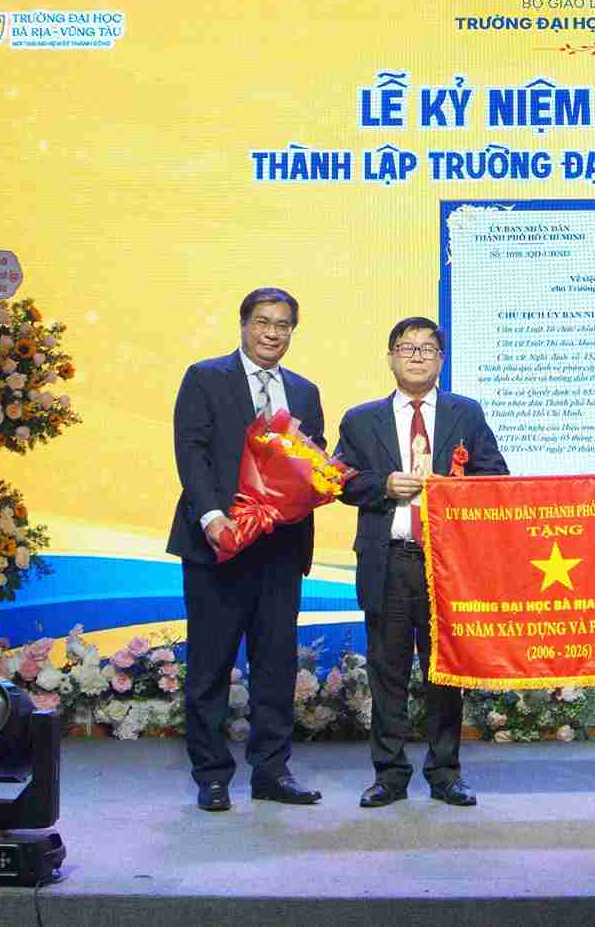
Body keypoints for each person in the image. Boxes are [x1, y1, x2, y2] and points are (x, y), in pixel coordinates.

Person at [335, 317, 509, 808]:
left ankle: (445, 773)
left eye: (427, 348)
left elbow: (496, 477)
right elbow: (339, 481)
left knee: (445, 673)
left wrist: (458, 489)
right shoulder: (360, 419)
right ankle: (389, 774)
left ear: (441, 360)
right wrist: (384, 485)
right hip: (387, 561)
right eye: (406, 347)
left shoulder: (466, 413)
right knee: (387, 673)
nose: (416, 356)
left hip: (447, 566)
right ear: (391, 357)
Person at [168, 287, 326, 811]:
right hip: (219, 544)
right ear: (243, 325)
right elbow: (191, 452)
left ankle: (272, 772)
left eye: (283, 325)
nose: (272, 333)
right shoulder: (205, 377)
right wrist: (212, 517)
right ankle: (212, 775)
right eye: (263, 322)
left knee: (276, 665)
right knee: (210, 666)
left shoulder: (303, 391)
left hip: (280, 549)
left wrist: (324, 478)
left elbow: (311, 461)